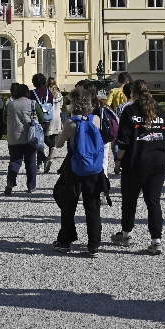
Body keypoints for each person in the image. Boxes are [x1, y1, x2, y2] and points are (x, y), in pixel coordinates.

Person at [110, 80, 165, 255]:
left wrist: (118, 160)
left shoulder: (130, 111)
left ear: (132, 94)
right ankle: (156, 240)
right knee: (153, 201)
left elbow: (123, 140)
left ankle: (126, 234)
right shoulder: (160, 111)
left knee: (130, 199)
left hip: (136, 160)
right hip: (158, 161)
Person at [51, 86, 109, 256]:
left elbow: (59, 145)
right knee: (93, 206)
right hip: (94, 169)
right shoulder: (96, 119)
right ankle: (94, 245)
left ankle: (65, 241)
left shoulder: (72, 123)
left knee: (68, 205)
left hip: (75, 168)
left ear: (74, 103)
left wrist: (64, 131)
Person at [5, 82, 44, 195]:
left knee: (15, 161)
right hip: (30, 137)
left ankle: (10, 181)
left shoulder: (10, 104)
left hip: (14, 137)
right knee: (30, 161)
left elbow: (4, 118)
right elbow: (42, 117)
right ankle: (31, 186)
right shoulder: (33, 103)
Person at [31, 73, 61, 174]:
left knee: (37, 141)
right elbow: (51, 104)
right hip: (47, 118)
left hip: (36, 118)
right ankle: (51, 148)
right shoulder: (49, 93)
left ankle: (40, 163)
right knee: (43, 137)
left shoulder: (32, 93)